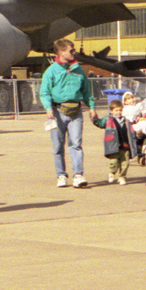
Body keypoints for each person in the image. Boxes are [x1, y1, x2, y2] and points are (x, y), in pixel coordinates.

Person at [40, 38, 94, 188]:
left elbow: (86, 91)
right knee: (58, 146)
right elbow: (44, 92)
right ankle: (61, 175)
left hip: (75, 111)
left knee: (76, 144)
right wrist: (48, 108)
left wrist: (92, 107)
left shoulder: (78, 69)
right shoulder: (51, 71)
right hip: (58, 111)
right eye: (71, 50)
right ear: (62, 52)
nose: (74, 53)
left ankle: (78, 175)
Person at [90, 98, 133, 185]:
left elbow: (133, 129)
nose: (118, 112)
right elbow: (99, 123)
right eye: (116, 110)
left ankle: (122, 176)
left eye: (120, 110)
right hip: (113, 145)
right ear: (111, 111)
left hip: (125, 145)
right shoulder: (108, 120)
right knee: (114, 162)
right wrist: (94, 118)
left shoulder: (126, 120)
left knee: (126, 163)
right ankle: (112, 173)